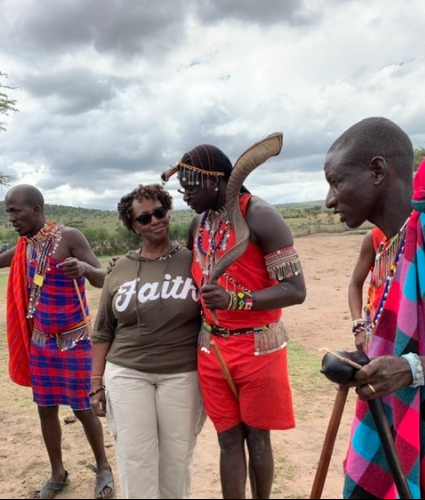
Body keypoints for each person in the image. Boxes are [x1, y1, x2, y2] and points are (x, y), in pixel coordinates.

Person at [162, 143, 306, 499]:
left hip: (259, 348)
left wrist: (236, 300)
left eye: (192, 187)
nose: (186, 197)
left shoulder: (260, 215)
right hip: (212, 349)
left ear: (217, 182)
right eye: (182, 188)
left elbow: (295, 290)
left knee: (257, 436)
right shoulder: (199, 223)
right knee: (227, 438)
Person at [324, 117, 425, 498]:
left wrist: (411, 367)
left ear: (378, 171)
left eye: (336, 182)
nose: (330, 200)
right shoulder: (401, 241)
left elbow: (411, 362)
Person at [0, 185, 114, 500]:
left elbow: (101, 277)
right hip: (41, 343)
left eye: (15, 210)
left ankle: (103, 468)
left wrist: (84, 268)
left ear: (36, 209)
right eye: (8, 211)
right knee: (45, 409)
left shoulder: (69, 237)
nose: (11, 217)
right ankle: (58, 473)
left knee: (83, 407)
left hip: (74, 341)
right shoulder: (24, 246)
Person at [91, 184, 204, 499]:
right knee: (135, 459)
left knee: (177, 459)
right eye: (144, 218)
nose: (155, 221)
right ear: (132, 226)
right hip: (127, 373)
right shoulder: (121, 269)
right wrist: (96, 382)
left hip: (183, 373)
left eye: (160, 212)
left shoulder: (193, 262)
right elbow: (103, 330)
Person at [348, 227, 386, 352]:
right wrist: (358, 326)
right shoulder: (374, 237)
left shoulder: (419, 230)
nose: (330, 206)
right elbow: (355, 283)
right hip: (378, 324)